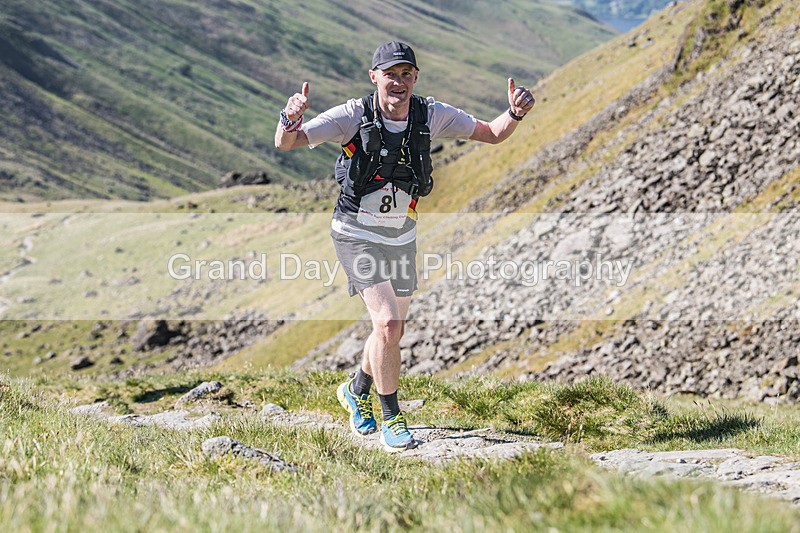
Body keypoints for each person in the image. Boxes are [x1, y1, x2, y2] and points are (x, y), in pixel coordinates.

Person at [275, 41, 535, 452]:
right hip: (355, 231)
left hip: (401, 234)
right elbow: (287, 144)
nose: (399, 82)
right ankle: (391, 418)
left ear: (416, 77)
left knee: (390, 328)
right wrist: (289, 118)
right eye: (390, 74)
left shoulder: (430, 114)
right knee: (388, 324)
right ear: (374, 76)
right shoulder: (353, 115)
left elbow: (491, 133)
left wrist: (516, 112)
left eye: (407, 74)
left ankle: (355, 390)